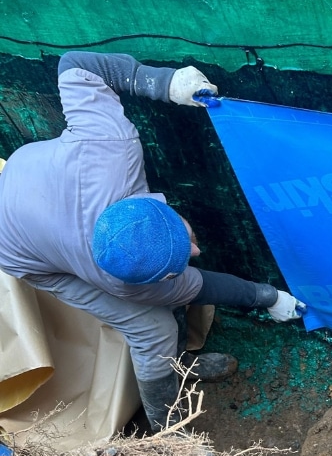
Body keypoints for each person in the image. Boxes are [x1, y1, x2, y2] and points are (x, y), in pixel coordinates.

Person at [0, 52, 306, 431]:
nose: (197, 251)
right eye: (181, 262)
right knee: (152, 330)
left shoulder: (111, 144)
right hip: (17, 246)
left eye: (186, 238)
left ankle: (183, 362)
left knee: (167, 305)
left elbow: (74, 65)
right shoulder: (120, 282)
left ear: (155, 207)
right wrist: (270, 298)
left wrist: (164, 83)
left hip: (24, 178)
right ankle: (168, 430)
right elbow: (203, 286)